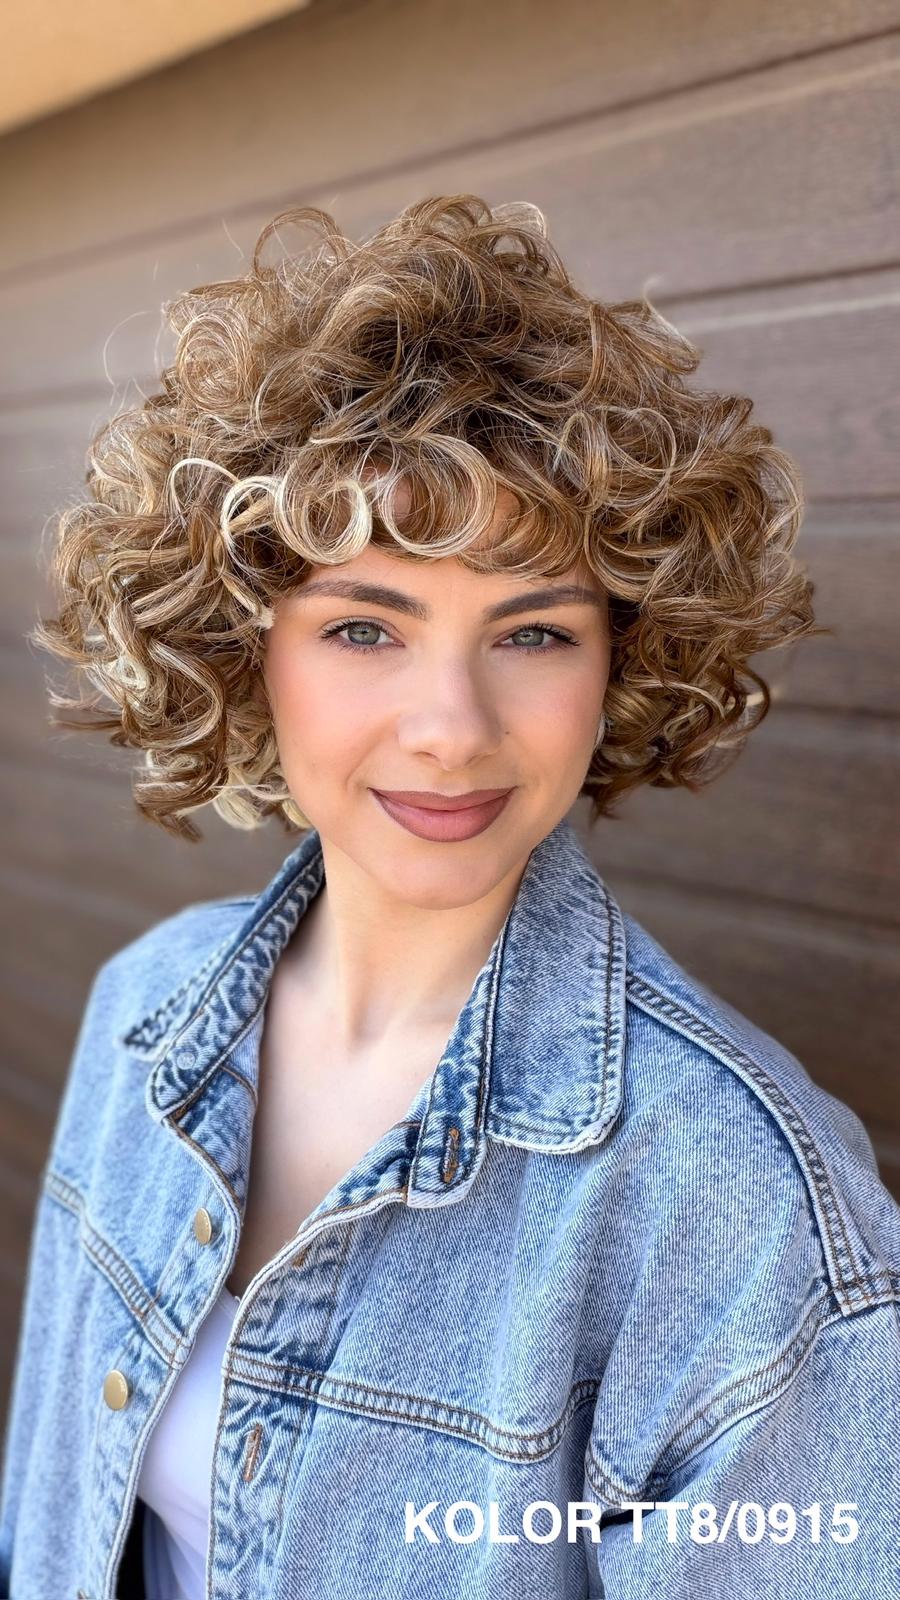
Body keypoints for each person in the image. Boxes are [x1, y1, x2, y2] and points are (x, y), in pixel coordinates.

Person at [0, 194, 897, 1600]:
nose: (452, 729)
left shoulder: (738, 1196)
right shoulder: (144, 1013)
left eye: (533, 634)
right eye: (366, 627)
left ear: (619, 664)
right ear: (244, 651)